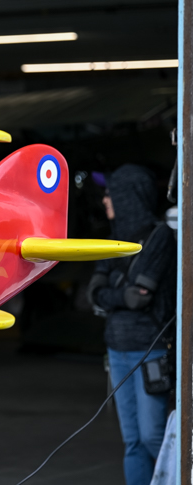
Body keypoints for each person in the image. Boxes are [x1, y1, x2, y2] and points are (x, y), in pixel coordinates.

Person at [87, 165, 176, 485]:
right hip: (117, 350)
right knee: (132, 441)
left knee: (153, 437)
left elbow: (138, 297)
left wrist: (112, 290)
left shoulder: (160, 236)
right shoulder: (110, 241)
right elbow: (93, 294)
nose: (105, 200)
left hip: (149, 351)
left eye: (110, 193)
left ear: (128, 195)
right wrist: (120, 292)